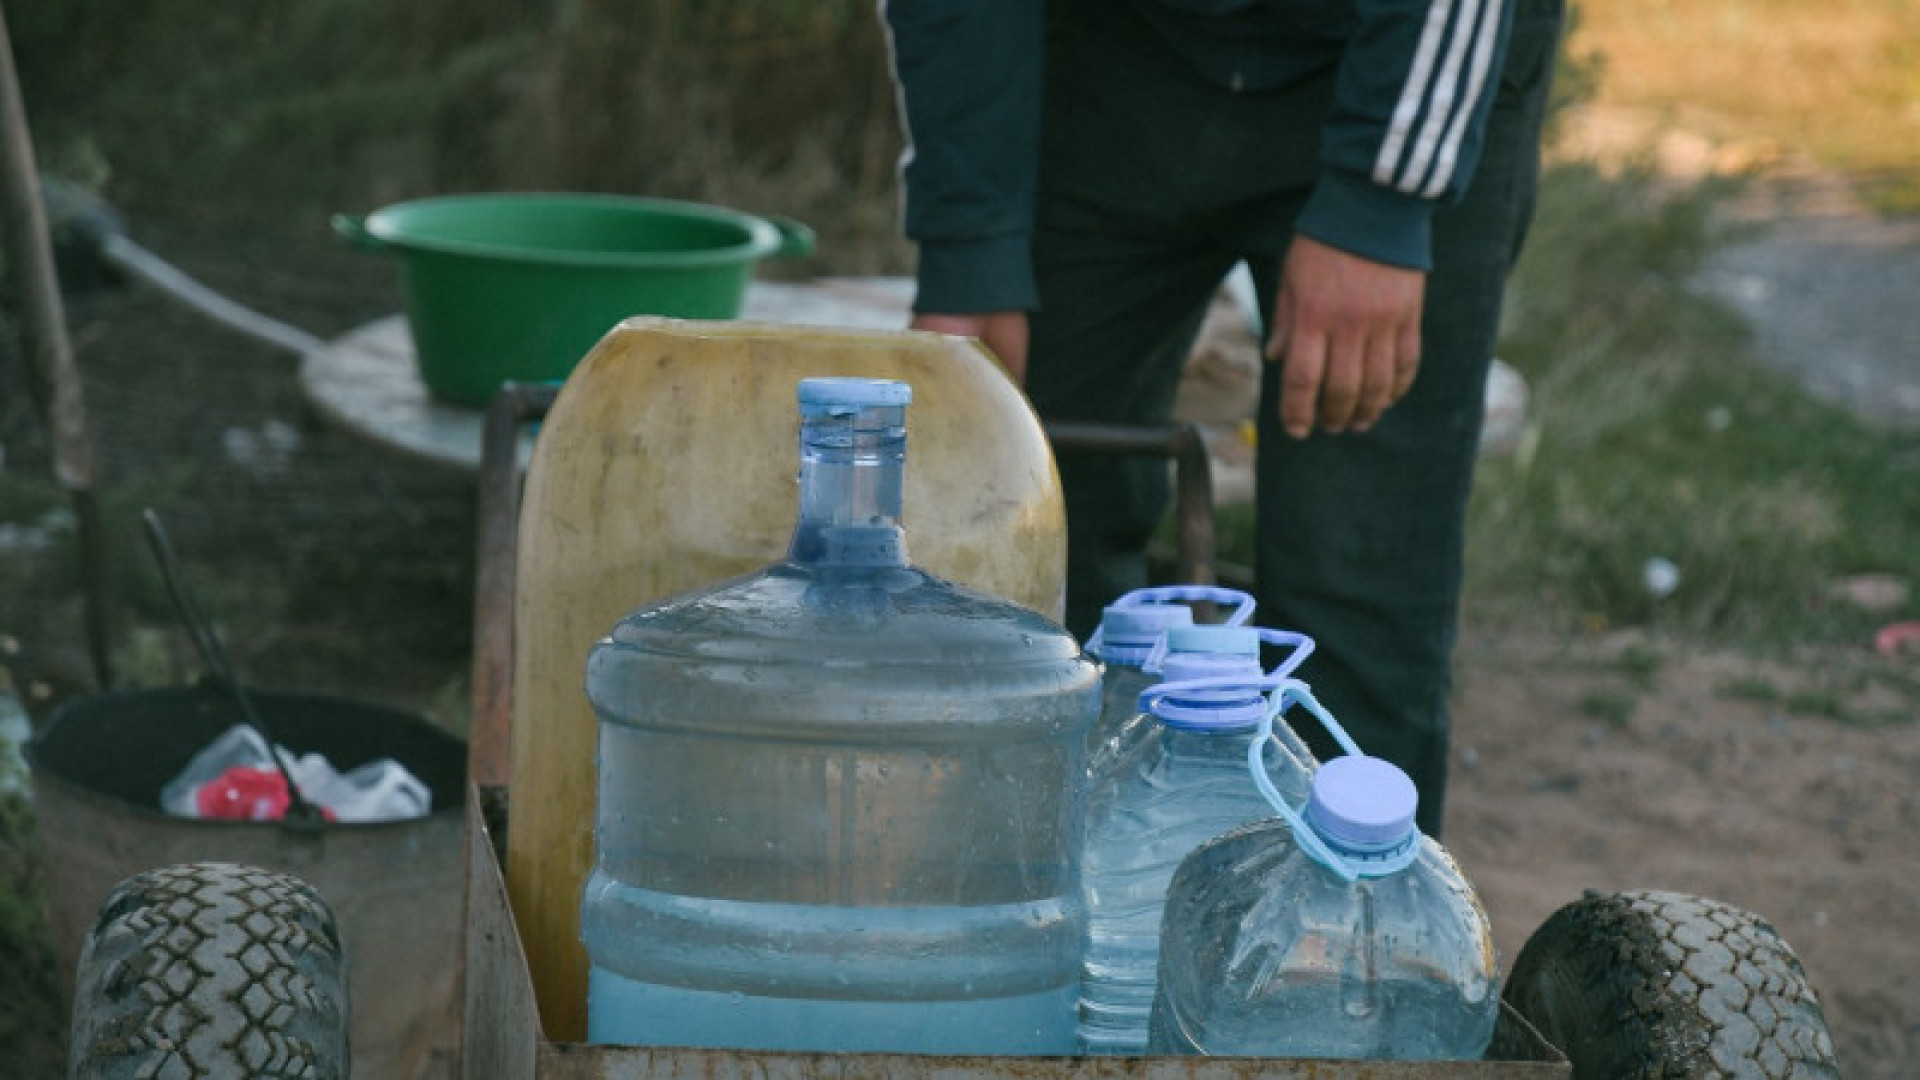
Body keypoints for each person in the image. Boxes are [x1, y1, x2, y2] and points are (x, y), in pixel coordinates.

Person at [883, 0, 1566, 835]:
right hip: (1111, 52)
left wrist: (1380, 200)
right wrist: (969, 232)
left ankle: (1345, 948)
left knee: (1358, 591)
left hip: (1400, 60)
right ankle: (1037, 912)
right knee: (1022, 539)